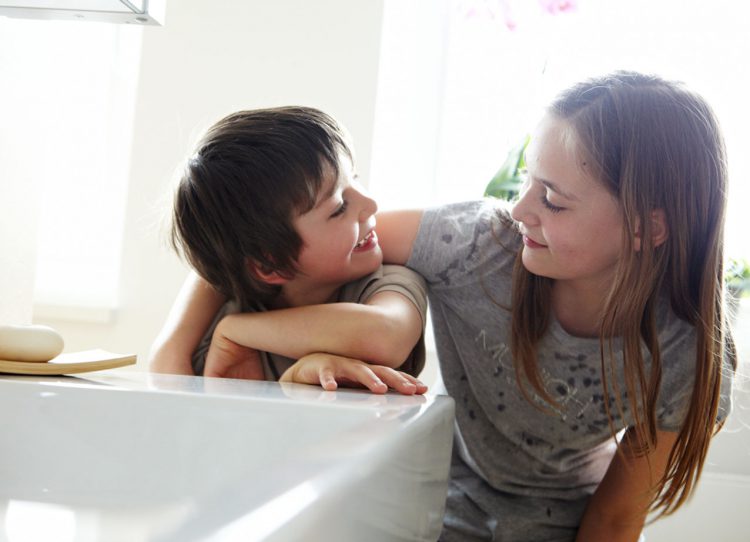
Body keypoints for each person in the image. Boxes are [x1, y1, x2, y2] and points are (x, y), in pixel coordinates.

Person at [148, 72, 736, 541]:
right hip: (428, 504)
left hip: (558, 523)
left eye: (552, 200)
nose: (520, 208)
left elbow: (613, 522)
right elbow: (264, 245)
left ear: (646, 227)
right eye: (527, 182)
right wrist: (175, 354)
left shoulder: (689, 352)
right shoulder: (478, 246)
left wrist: (241, 332)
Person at [149, 106, 428, 396]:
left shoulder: (384, 284)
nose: (371, 204)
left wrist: (237, 331)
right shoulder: (215, 323)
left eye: (355, 179)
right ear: (271, 266)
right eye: (339, 208)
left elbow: (387, 334)